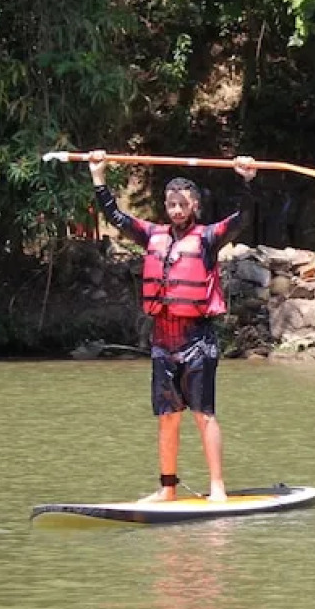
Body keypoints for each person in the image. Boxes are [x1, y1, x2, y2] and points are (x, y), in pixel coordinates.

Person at [88, 148, 257, 503]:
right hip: (163, 342)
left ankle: (217, 487)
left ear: (194, 206)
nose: (176, 210)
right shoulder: (152, 236)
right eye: (171, 205)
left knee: (203, 414)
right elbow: (116, 216)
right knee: (167, 418)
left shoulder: (209, 238)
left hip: (198, 340)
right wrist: (98, 175)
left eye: (182, 204)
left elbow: (241, 218)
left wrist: (246, 180)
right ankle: (167, 488)